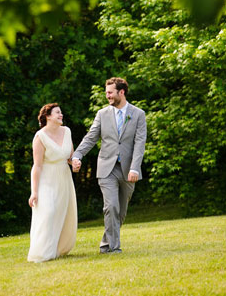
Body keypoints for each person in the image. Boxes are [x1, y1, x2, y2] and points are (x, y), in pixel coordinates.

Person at [71, 77, 147, 253]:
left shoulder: (138, 114)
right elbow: (91, 137)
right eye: (106, 93)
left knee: (120, 212)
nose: (108, 96)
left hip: (128, 170)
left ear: (121, 92)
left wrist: (135, 167)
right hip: (107, 168)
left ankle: (106, 243)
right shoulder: (102, 114)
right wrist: (78, 155)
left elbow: (140, 143)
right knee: (111, 206)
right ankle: (113, 248)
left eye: (110, 92)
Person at [27, 103, 77, 262]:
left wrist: (74, 163)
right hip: (46, 179)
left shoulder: (67, 131)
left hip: (63, 178)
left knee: (62, 213)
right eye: (57, 112)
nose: (61, 115)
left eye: (61, 112)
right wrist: (34, 192)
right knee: (48, 211)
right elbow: (37, 165)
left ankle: (57, 249)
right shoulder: (40, 136)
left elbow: (70, 157)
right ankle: (41, 253)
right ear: (47, 116)